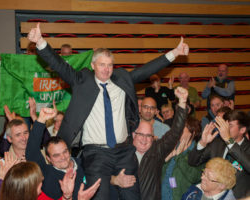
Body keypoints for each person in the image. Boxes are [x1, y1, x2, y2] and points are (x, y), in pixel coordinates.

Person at [28, 23, 189, 200]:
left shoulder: (122, 79)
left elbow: (147, 69)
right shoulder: (82, 80)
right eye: (102, 64)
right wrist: (40, 42)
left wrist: (174, 53)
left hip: (124, 150)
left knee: (131, 195)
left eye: (110, 65)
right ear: (93, 65)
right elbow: (59, 65)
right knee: (100, 196)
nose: (106, 69)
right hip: (96, 153)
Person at [26, 106, 101, 200]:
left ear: (69, 151)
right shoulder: (45, 173)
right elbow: (32, 151)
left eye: (64, 151)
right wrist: (41, 120)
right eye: (56, 155)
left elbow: (103, 179)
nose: (63, 157)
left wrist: (115, 180)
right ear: (48, 159)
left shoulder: (84, 163)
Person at [133, 86, 188, 200]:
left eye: (148, 136)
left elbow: (175, 133)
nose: (144, 139)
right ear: (133, 134)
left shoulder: (155, 152)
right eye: (141, 135)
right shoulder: (124, 151)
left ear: (153, 138)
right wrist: (115, 179)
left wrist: (182, 103)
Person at [188, 111, 250, 198]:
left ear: (242, 130)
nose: (225, 128)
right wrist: (202, 143)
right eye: (225, 124)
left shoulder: (248, 148)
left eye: (230, 125)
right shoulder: (217, 143)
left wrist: (229, 140)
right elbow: (193, 162)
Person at [161, 117, 203, 200]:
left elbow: (194, 177)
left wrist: (179, 156)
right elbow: (164, 173)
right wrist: (165, 161)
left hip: (181, 196)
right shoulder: (173, 146)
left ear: (193, 133)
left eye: (182, 129)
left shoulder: (197, 152)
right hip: (165, 193)